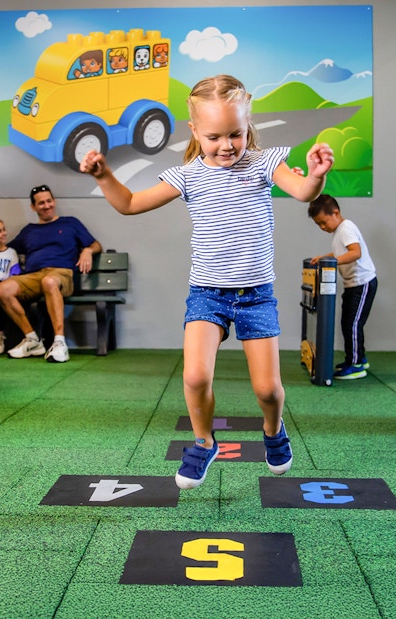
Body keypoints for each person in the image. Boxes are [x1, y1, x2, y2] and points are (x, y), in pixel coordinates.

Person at [80, 74, 334, 489]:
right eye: (215, 136)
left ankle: (273, 431)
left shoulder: (264, 163)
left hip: (256, 296)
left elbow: (304, 191)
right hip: (207, 294)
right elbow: (128, 203)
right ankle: (203, 441)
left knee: (269, 390)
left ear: (248, 123)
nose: (227, 145)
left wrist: (318, 175)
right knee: (196, 377)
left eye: (236, 133)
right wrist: (104, 174)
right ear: (195, 131)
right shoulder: (187, 176)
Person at [0, 185, 102, 363]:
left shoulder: (70, 223)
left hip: (61, 274)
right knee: (3, 290)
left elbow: (96, 244)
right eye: (41, 203)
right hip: (33, 276)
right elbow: (6, 250)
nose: (46, 206)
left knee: (49, 281)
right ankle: (32, 339)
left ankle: (59, 343)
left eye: (49, 201)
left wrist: (88, 251)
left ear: (54, 201)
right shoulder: (28, 230)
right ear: (33, 207)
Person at [308, 194, 377, 380]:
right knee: (349, 324)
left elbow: (355, 252)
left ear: (336, 213)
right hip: (353, 284)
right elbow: (341, 251)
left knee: (352, 324)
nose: (323, 227)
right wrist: (325, 257)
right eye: (318, 225)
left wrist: (331, 262)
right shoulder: (340, 231)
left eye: (324, 222)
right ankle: (358, 358)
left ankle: (355, 365)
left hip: (362, 283)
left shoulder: (345, 228)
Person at [0, 217, 21, 354]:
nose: (4, 234)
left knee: (3, 294)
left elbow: (15, 274)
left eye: (4, 230)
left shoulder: (11, 253)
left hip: (1, 287)